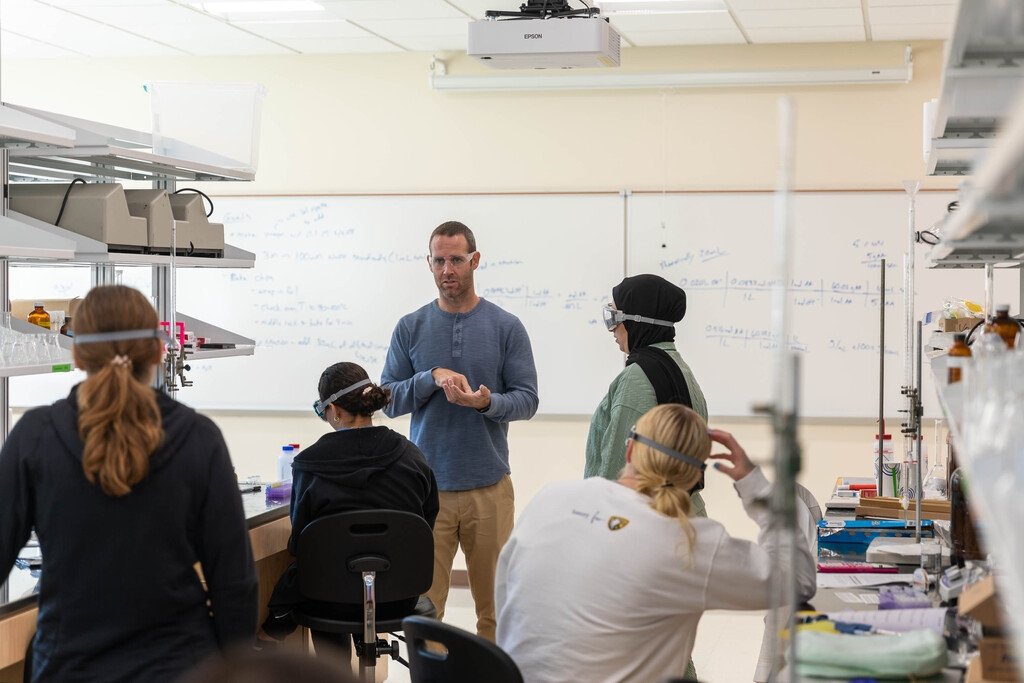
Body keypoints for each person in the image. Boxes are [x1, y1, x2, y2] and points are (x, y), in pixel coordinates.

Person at [0, 285, 258, 683]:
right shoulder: (199, 438)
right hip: (180, 667)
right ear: (158, 352)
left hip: (67, 666)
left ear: (76, 353)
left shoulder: (35, 437)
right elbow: (234, 584)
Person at [495, 403, 816, 683]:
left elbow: (507, 596)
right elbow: (797, 579)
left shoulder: (552, 497)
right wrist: (753, 483)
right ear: (695, 478)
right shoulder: (690, 542)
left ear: (630, 450)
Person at [381, 220, 539, 642]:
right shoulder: (409, 327)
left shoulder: (506, 327)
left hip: (489, 488)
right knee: (425, 611)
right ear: (429, 264)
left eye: (456, 259)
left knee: (496, 611)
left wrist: (486, 403)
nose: (447, 269)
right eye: (439, 260)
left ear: (475, 260)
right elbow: (389, 400)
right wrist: (429, 377)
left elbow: (527, 400)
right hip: (426, 491)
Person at [259, 361, 439, 652]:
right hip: (398, 593)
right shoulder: (412, 457)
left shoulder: (309, 465)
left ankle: (332, 670)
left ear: (336, 411)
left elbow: (300, 543)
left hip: (327, 599)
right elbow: (425, 524)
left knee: (318, 583)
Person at [585, 274, 708, 505]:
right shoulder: (682, 370)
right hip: (683, 516)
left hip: (640, 523)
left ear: (636, 321)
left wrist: (598, 522)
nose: (612, 330)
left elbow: (617, 470)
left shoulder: (636, 378)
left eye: (614, 318)